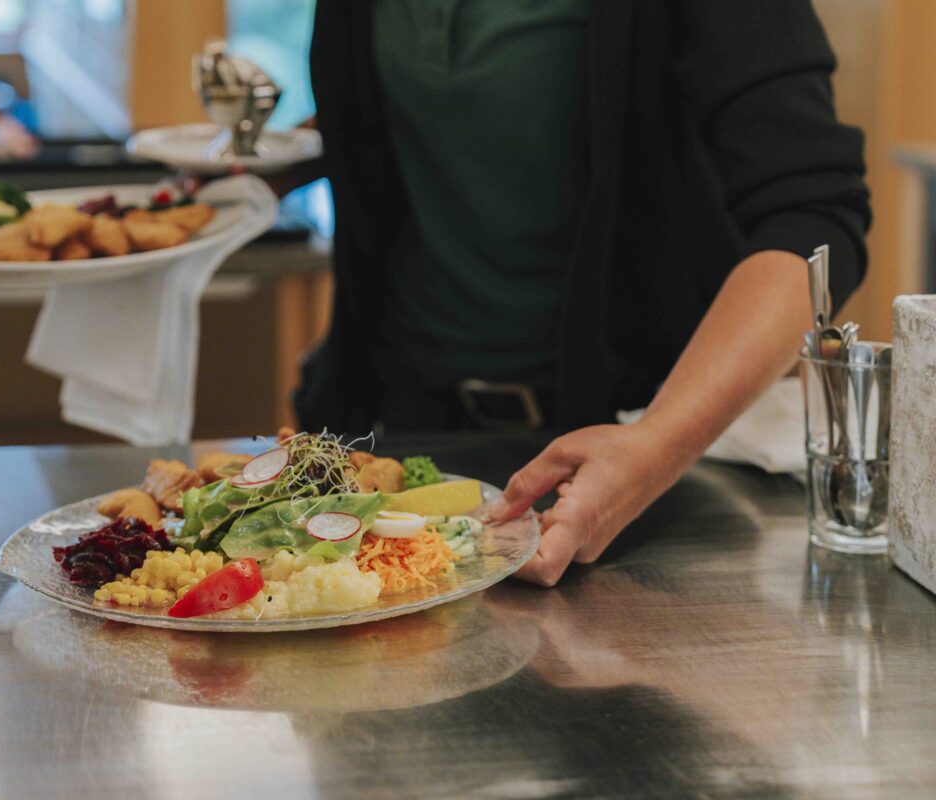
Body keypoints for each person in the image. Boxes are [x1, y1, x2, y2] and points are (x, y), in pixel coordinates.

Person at [295, 1, 871, 585]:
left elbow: (812, 215)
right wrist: (276, 159)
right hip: (407, 427)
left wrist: (654, 444)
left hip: (638, 464)